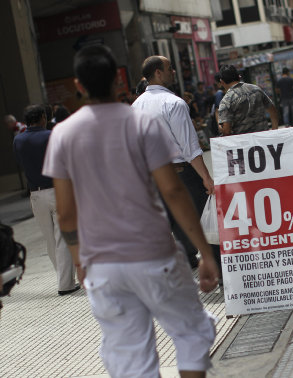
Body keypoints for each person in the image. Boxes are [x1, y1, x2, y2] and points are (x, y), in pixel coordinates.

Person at [43, 45, 218, 378]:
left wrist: (80, 261)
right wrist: (204, 250)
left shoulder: (62, 135)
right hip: (153, 255)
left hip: (103, 264)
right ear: (117, 81)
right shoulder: (141, 124)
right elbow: (172, 190)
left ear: (79, 85)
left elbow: (66, 214)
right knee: (191, 332)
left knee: (129, 357)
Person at [132, 55, 216, 269]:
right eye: (170, 68)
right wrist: (206, 177)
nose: (174, 72)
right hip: (180, 173)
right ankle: (220, 270)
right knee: (208, 216)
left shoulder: (135, 106)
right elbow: (189, 146)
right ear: (158, 73)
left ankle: (184, 260)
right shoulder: (174, 103)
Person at [13, 104, 78, 295]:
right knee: (63, 238)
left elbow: (20, 161)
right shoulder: (52, 136)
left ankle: (63, 278)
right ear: (43, 117)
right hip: (57, 190)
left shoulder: (18, 140)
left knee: (50, 240)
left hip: (35, 193)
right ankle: (65, 283)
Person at [217, 64, 279, 135]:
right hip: (264, 140)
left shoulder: (226, 101)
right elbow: (273, 112)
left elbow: (226, 131)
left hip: (244, 144)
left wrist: (221, 128)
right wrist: (274, 132)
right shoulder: (256, 89)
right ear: (239, 77)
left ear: (221, 82)